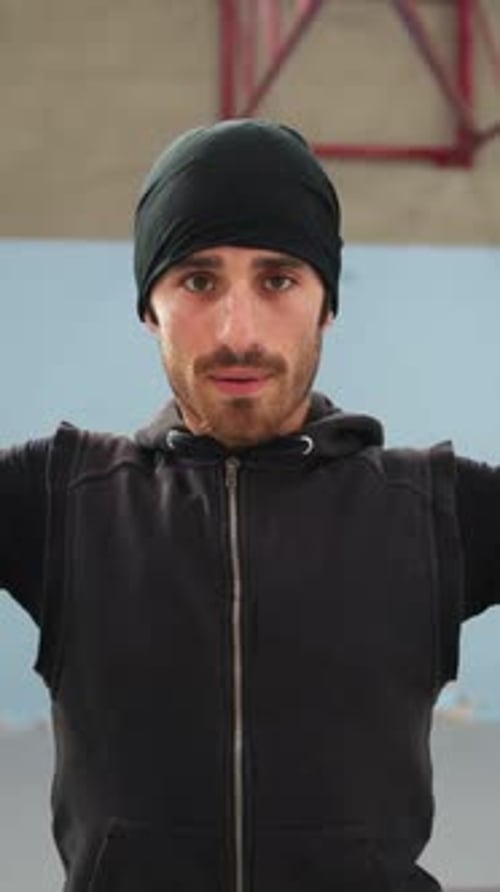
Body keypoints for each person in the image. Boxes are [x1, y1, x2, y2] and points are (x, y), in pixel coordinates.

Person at [0, 118, 499, 892]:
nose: (239, 332)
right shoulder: (62, 499)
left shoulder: (430, 509)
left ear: (326, 303)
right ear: (149, 306)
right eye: (198, 281)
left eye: (279, 280)